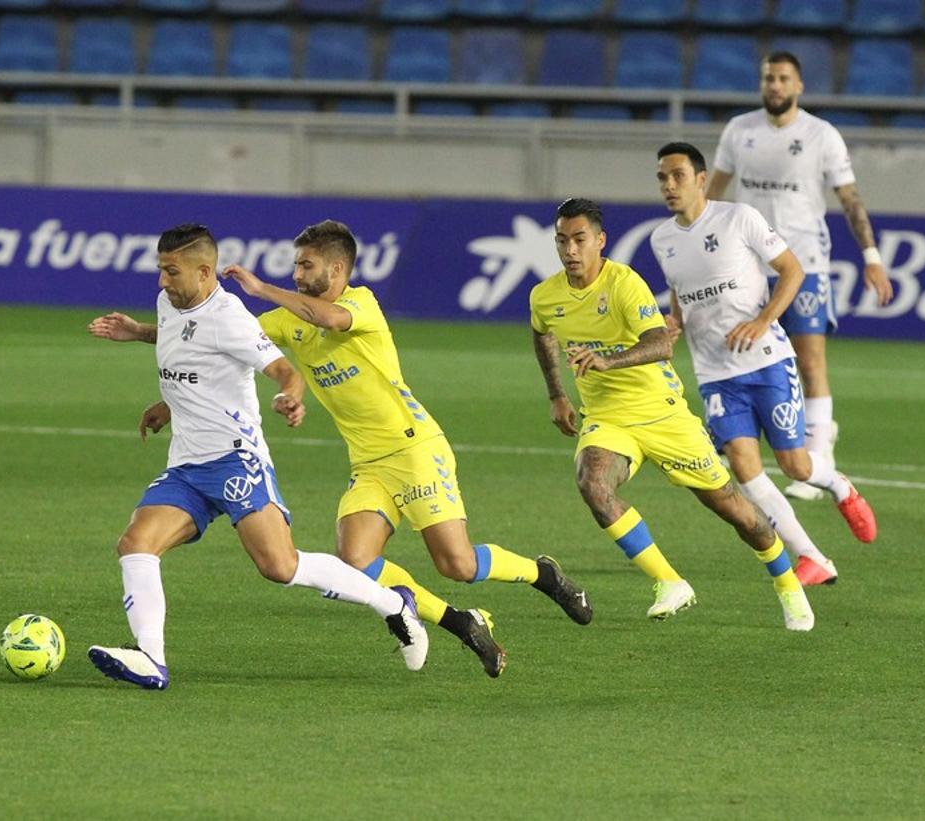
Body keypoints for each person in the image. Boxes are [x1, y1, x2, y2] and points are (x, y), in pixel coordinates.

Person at [216, 219, 594, 679]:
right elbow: (228, 337)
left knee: (457, 564)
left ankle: (543, 575)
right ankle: (461, 623)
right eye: (295, 265)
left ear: (336, 269)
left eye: (305, 265)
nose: (296, 274)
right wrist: (149, 332)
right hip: (369, 463)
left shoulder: (361, 304)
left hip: (413, 449)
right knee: (356, 560)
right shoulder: (290, 318)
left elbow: (327, 318)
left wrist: (261, 289)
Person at [84, 223, 427, 690]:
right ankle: (151, 659)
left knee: (280, 567)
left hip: (235, 460)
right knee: (135, 544)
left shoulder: (231, 317)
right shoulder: (169, 303)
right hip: (187, 465)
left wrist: (290, 396)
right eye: (161, 270)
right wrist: (142, 340)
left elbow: (287, 371)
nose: (163, 281)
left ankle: (393, 604)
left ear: (205, 272)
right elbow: (186, 341)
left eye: (172, 272)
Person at [530, 197, 815, 631]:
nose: (570, 250)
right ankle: (669, 582)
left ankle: (787, 582)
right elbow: (542, 333)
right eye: (562, 240)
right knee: (593, 483)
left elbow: (660, 344)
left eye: (579, 239)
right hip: (608, 417)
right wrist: (556, 394)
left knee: (735, 510)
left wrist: (608, 361)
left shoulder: (624, 284)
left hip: (662, 415)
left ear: (600, 241)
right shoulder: (545, 295)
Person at [651, 142, 878, 587]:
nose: (669, 185)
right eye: (662, 178)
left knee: (795, 465)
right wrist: (675, 321)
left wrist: (762, 321)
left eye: (678, 176)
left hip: (767, 362)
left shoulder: (739, 218)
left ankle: (839, 485)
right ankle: (812, 556)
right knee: (744, 468)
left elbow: (793, 271)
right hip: (716, 374)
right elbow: (680, 288)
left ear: (701, 179)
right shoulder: (662, 239)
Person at [705, 51, 894, 502]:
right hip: (748, 262)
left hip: (804, 261)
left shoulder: (821, 135)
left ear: (799, 86)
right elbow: (713, 192)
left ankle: (817, 457)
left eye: (783, 78)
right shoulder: (739, 130)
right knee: (739, 351)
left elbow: (850, 200)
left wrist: (871, 256)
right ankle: (736, 442)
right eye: (768, 77)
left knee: (809, 361)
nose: (774, 85)